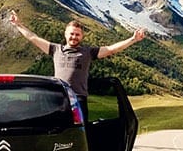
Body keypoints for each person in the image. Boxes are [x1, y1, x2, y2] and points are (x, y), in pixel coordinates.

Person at [9, 10, 145, 120]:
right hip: (58, 98)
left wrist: (133, 39)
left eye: (77, 34)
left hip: (78, 99)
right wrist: (18, 25)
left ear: (82, 36)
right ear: (65, 34)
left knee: (80, 133)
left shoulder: (88, 52)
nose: (74, 37)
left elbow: (111, 49)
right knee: (59, 132)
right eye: (72, 34)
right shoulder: (56, 50)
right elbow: (33, 38)